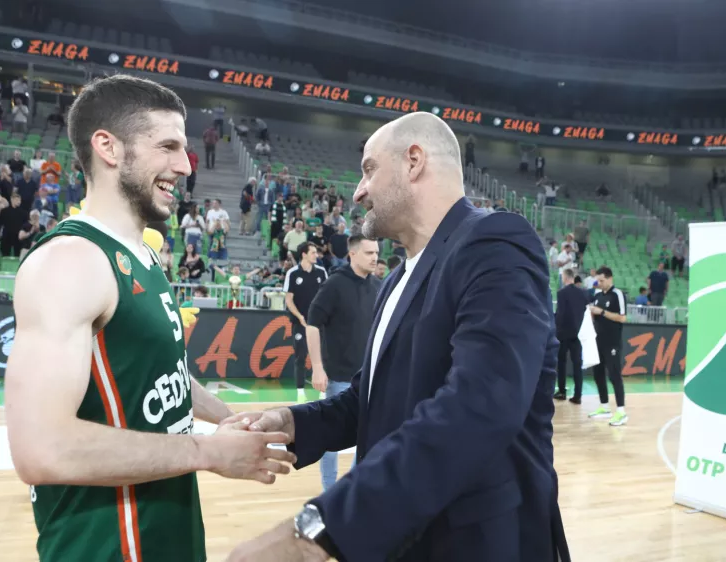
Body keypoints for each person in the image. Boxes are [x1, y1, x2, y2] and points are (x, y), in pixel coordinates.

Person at [226, 112, 570, 562]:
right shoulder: (394, 280)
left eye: (369, 169)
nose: (358, 191)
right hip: (404, 537)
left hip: (477, 543)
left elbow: (478, 407)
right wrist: (293, 423)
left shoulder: (494, 244)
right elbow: (371, 399)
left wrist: (314, 534)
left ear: (413, 161)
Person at [2, 75, 296, 562]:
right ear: (108, 147)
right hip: (106, 546)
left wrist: (230, 419)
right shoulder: (70, 262)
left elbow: (161, 373)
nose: (185, 165)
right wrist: (207, 451)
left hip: (166, 532)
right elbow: (41, 449)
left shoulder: (141, 253)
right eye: (168, 146)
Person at [305, 234, 381, 491]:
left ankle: (351, 489)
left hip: (369, 377)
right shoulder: (334, 284)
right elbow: (312, 324)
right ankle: (330, 490)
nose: (375, 257)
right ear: (353, 254)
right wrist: (317, 367)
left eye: (377, 252)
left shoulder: (378, 286)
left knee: (367, 435)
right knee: (332, 436)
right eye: (369, 253)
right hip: (338, 376)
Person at [283, 241, 328, 401]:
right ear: (304, 254)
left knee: (323, 356)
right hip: (300, 323)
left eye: (316, 252)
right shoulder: (293, 273)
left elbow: (326, 296)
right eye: (313, 252)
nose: (316, 255)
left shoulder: (321, 272)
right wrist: (300, 317)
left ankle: (323, 391)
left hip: (319, 323)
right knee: (300, 356)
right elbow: (289, 299)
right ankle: (300, 392)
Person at [588, 265, 628, 426]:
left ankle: (621, 412)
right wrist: (592, 313)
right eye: (597, 281)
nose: (599, 283)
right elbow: (596, 316)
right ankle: (604, 407)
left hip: (612, 342)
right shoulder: (597, 295)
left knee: (614, 375)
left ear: (610, 278)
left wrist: (602, 312)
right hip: (598, 341)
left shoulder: (617, 294)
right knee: (598, 374)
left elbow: (622, 318)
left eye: (602, 280)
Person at [555, 268, 589, 403]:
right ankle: (578, 395)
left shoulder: (561, 293)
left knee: (561, 363)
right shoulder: (583, 293)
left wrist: (557, 330)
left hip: (563, 334)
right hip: (578, 334)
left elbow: (561, 314)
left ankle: (562, 392)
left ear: (565, 277)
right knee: (577, 365)